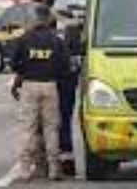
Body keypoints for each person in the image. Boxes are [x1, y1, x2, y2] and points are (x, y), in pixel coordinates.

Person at [11, 5, 69, 181]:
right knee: (51, 128)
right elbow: (64, 66)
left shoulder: (24, 39)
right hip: (50, 85)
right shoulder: (56, 40)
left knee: (28, 127)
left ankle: (25, 169)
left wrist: (25, 70)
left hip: (29, 84)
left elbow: (14, 63)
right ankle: (53, 169)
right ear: (48, 19)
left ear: (36, 18)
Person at [57, 21, 84, 178]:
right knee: (66, 124)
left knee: (58, 125)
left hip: (60, 90)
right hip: (71, 91)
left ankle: (61, 161)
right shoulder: (79, 52)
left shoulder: (63, 52)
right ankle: (69, 163)